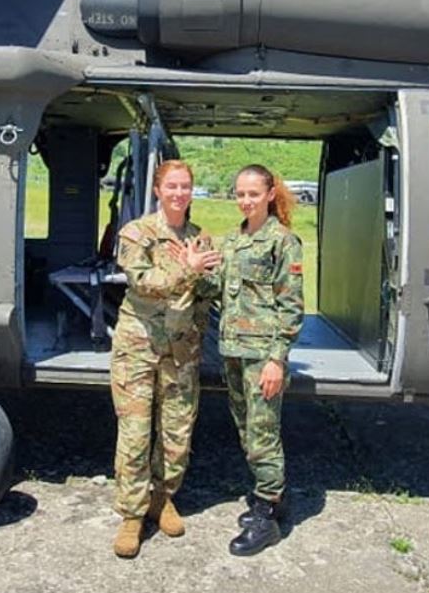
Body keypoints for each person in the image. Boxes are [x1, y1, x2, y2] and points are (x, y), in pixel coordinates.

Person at [178, 164, 304, 557]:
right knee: (247, 430)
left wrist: (277, 360)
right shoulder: (233, 240)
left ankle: (267, 516)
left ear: (269, 194)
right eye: (240, 193)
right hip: (232, 350)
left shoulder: (282, 241)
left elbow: (292, 306)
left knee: (263, 435)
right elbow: (218, 289)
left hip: (261, 355)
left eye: (253, 193)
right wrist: (195, 269)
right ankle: (274, 498)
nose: (245, 200)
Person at [110, 159, 221, 558]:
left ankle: (163, 498)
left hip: (182, 349)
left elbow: (210, 289)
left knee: (177, 434)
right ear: (158, 190)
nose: (178, 193)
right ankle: (132, 515)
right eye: (171, 186)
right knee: (136, 433)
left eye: (185, 186)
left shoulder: (199, 237)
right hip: (138, 346)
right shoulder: (137, 233)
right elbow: (144, 283)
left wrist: (207, 273)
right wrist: (188, 270)